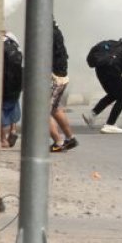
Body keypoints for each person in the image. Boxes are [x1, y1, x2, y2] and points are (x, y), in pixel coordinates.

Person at [49, 20, 78, 152]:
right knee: (54, 108)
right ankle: (70, 138)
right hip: (61, 76)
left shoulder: (46, 34)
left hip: (53, 77)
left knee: (41, 112)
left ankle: (58, 142)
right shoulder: (56, 31)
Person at [1, 32, 23, 148]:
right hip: (16, 80)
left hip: (4, 81)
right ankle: (13, 130)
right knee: (14, 104)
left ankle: (3, 139)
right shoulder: (11, 37)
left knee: (0, 108)